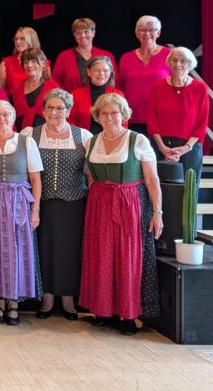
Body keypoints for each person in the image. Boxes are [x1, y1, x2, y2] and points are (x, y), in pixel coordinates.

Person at [81, 93, 163, 336]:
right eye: (104, 113)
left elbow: (152, 179)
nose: (109, 117)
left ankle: (128, 314)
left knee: (127, 256)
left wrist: (157, 212)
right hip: (99, 204)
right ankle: (103, 310)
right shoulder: (91, 142)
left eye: (114, 113)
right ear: (97, 116)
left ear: (123, 114)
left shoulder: (137, 140)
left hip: (129, 203)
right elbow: (91, 177)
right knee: (101, 255)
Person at [19, 89, 91, 322]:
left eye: (60, 108)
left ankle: (68, 299)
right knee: (45, 248)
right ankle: (47, 297)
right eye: (50, 107)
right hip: (42, 202)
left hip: (74, 202)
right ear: (43, 111)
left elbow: (90, 173)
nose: (54, 112)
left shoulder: (83, 136)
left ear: (68, 111)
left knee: (70, 250)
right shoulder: (30, 134)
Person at [0, 100, 43, 326]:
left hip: (18, 201)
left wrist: (35, 209)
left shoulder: (27, 142)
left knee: (17, 248)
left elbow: (35, 179)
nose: (2, 119)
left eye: (6, 114)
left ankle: (14, 301)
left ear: (13, 118)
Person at [147, 47, 209, 180]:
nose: (178, 64)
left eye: (183, 61)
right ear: (169, 63)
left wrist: (185, 148)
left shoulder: (200, 88)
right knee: (159, 188)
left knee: (189, 190)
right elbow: (152, 121)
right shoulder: (157, 86)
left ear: (190, 64)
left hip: (190, 148)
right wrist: (162, 148)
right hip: (160, 146)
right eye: (174, 60)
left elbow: (202, 123)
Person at [118, 15, 170, 136]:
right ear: (137, 34)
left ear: (158, 33)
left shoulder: (170, 55)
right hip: (131, 117)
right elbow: (120, 87)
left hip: (160, 117)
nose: (147, 33)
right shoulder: (126, 58)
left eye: (151, 30)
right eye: (142, 30)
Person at [52, 17, 118, 92]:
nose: (83, 36)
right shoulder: (63, 57)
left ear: (93, 33)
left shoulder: (106, 55)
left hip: (102, 98)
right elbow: (55, 83)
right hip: (72, 99)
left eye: (86, 32)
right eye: (78, 33)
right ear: (74, 35)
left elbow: (115, 81)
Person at [69, 56, 126, 134]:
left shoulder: (117, 94)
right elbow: (70, 120)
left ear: (110, 73)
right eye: (97, 70)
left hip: (112, 138)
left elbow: (124, 121)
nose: (101, 73)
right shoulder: (76, 94)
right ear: (89, 72)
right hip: (83, 138)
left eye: (105, 70)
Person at [11, 47, 60, 131]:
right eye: (26, 62)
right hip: (20, 132)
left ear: (43, 63)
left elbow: (58, 116)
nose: (29, 65)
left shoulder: (53, 87)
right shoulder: (17, 86)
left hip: (46, 133)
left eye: (33, 61)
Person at [0, 27, 48, 96]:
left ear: (31, 40)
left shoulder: (43, 62)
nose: (18, 42)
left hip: (39, 99)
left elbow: (48, 87)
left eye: (22, 38)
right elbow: (0, 90)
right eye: (16, 39)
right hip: (12, 100)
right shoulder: (6, 63)